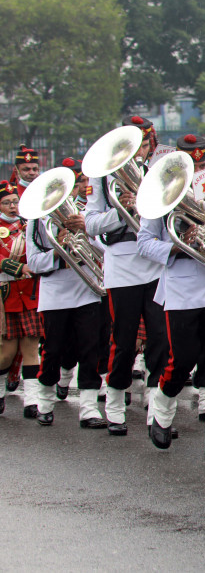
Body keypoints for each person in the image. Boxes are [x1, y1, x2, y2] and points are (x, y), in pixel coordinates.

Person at [139, 134, 205, 454]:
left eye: (202, 161)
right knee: (182, 360)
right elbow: (144, 243)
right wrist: (181, 246)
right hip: (181, 290)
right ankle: (162, 413)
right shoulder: (162, 196)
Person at [84, 116, 168, 436]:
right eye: (134, 145)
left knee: (160, 337)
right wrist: (123, 209)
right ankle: (116, 403)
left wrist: (148, 206)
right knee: (124, 339)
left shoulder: (155, 174)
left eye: (145, 144)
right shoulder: (104, 179)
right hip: (122, 262)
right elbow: (91, 224)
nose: (140, 150)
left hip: (155, 261)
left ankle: (156, 407)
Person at [26, 175, 107, 429]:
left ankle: (89, 408)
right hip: (55, 294)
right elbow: (34, 263)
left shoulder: (82, 214)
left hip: (86, 289)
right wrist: (60, 248)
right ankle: (45, 403)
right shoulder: (36, 222)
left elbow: (104, 250)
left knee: (90, 350)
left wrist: (84, 230)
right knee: (53, 350)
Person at [0, 181, 43, 417]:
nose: (12, 206)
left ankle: (32, 401)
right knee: (6, 353)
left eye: (15, 202)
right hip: (6, 297)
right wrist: (19, 267)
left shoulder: (29, 226)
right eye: (6, 203)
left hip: (28, 294)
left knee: (30, 348)